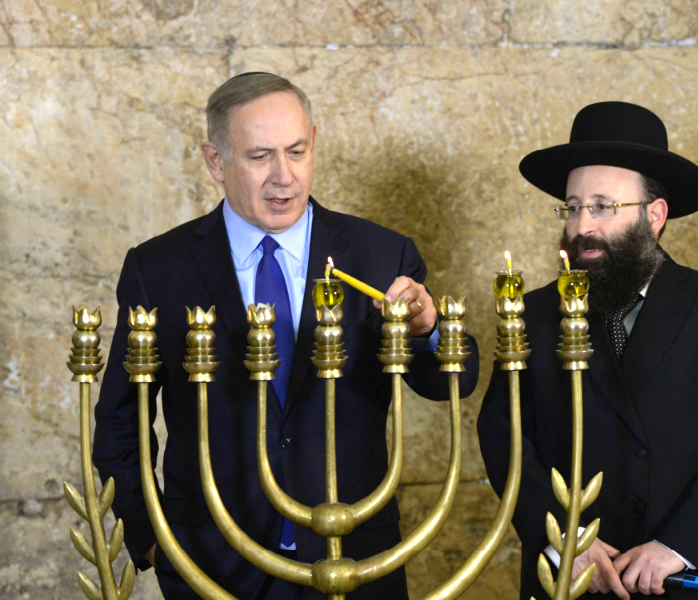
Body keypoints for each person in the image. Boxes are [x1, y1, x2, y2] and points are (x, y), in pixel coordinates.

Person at [93, 72, 479, 600]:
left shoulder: (379, 254)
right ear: (214, 160)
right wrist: (154, 541)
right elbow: (119, 424)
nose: (284, 178)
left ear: (314, 142)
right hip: (210, 565)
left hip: (354, 557)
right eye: (259, 156)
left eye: (297, 151)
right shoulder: (158, 269)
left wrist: (428, 330)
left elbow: (450, 382)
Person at [478, 101, 698, 599]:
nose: (582, 228)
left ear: (654, 215)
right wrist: (567, 540)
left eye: (602, 206)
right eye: (573, 207)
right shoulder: (532, 314)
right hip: (574, 581)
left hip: (691, 579)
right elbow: (505, 439)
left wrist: (675, 547)